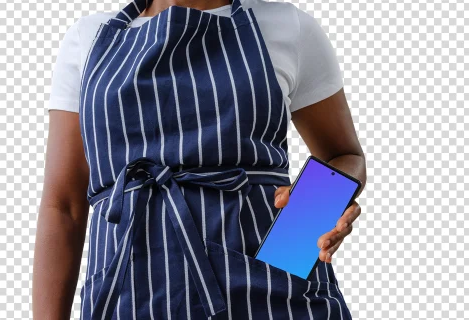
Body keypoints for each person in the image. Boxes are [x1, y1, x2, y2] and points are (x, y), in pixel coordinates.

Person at [33, 0, 367, 319]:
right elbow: (64, 205)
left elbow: (342, 154)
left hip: (270, 292)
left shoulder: (288, 27)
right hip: (126, 294)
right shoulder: (87, 38)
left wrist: (311, 220)